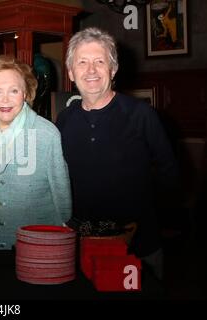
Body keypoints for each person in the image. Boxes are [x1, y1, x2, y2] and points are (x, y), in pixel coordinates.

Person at [56, 27, 179, 279]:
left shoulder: (141, 115)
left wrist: (146, 215)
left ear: (113, 70)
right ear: (71, 72)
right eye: (82, 62)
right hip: (81, 247)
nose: (91, 70)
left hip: (137, 248)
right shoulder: (64, 120)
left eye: (99, 61)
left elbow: (170, 173)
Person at [0, 55, 72, 250]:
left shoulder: (46, 134)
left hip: (36, 252)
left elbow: (63, 200)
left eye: (13, 90)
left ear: (25, 93)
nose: (5, 99)